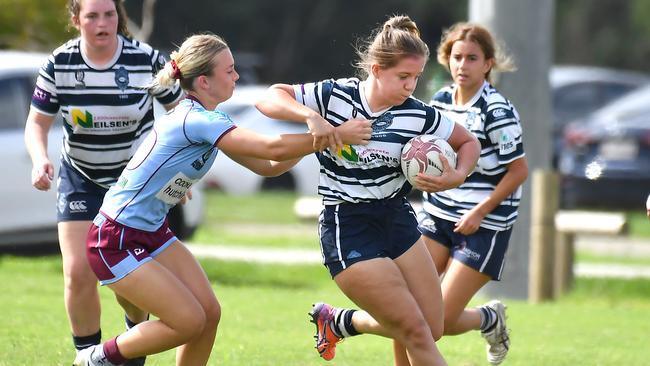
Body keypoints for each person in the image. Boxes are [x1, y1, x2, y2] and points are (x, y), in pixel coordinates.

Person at [71, 33, 371, 366]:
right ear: (204, 81)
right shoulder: (197, 119)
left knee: (208, 313)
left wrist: (322, 140)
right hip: (115, 238)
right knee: (188, 321)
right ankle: (94, 358)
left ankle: (120, 345)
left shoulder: (208, 118)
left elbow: (269, 166)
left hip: (151, 233)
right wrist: (332, 134)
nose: (237, 76)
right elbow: (271, 148)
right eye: (229, 71)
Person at [256, 15, 480, 366]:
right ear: (376, 70)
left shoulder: (418, 115)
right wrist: (311, 117)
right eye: (403, 77)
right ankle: (340, 321)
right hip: (348, 224)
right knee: (416, 331)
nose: (411, 86)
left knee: (430, 328)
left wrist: (458, 174)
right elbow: (269, 98)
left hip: (397, 218)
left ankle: (339, 321)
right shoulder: (336, 95)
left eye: (416, 78)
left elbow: (468, 142)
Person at [24, 1, 183, 364]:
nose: (102, 23)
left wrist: (178, 172)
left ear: (119, 18)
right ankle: (88, 357)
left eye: (109, 14)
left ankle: (133, 343)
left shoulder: (145, 59)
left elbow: (180, 115)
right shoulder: (60, 63)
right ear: (76, 19)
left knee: (128, 280)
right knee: (78, 272)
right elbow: (37, 123)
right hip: (81, 178)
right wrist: (40, 160)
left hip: (135, 184)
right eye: (92, 15)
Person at [415, 22, 529, 365]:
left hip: (484, 225)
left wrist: (480, 210)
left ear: (488, 64)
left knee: (442, 321)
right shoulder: (439, 101)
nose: (462, 65)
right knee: (410, 306)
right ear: (446, 60)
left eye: (472, 58)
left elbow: (519, 170)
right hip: (437, 216)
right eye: (456, 57)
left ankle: (489, 319)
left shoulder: (497, 111)